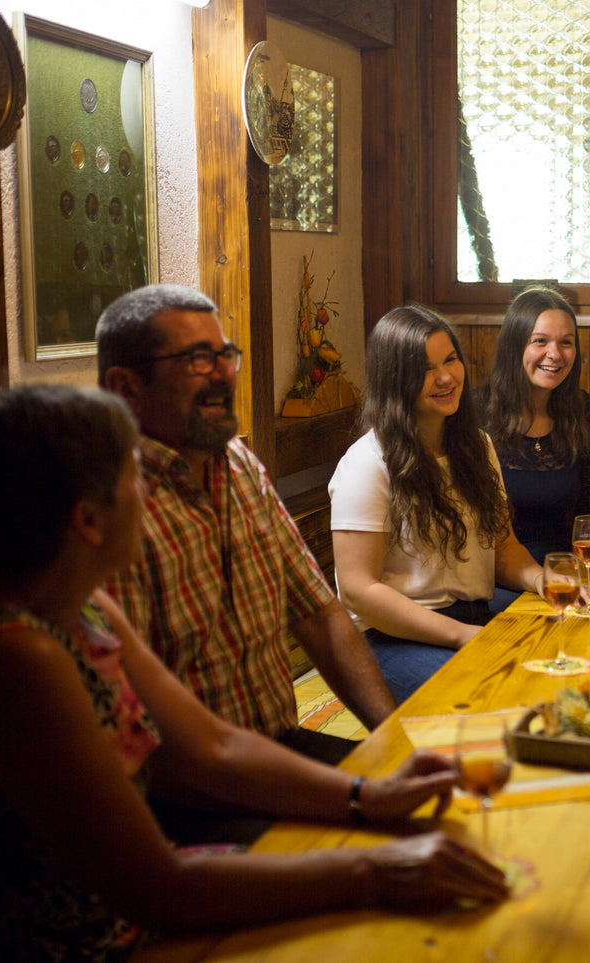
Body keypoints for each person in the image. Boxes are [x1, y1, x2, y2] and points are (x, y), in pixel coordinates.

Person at [0, 385, 507, 962]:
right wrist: (379, 870)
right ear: (88, 519)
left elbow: (212, 744)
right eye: (134, 478)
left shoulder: (75, 602)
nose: (151, 496)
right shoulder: (17, 658)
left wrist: (367, 795)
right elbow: (158, 887)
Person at [97, 284, 396, 843]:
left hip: (279, 746)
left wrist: (392, 740)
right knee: (375, 853)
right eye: (196, 359)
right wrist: (351, 797)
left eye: (225, 354)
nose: (223, 374)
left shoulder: (238, 466)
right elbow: (144, 743)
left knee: (438, 803)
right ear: (126, 386)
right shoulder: (109, 505)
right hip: (179, 800)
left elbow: (321, 616)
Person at [329, 305, 543, 704]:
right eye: (426, 369)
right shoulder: (367, 463)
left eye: (451, 360)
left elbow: (504, 549)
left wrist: (543, 580)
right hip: (392, 638)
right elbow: (358, 590)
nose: (446, 377)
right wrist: (463, 636)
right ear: (396, 380)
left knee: (564, 658)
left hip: (473, 616)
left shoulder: (478, 446)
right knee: (497, 696)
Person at [477, 287, 590, 568]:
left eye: (566, 343)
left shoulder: (581, 409)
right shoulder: (477, 412)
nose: (555, 354)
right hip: (495, 577)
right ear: (515, 346)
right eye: (540, 341)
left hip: (566, 571)